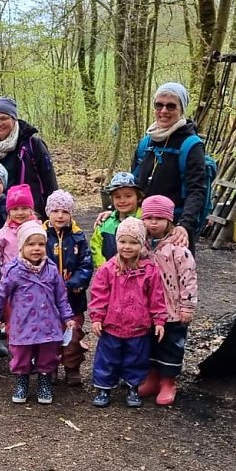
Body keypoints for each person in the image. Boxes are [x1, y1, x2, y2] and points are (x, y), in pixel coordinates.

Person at [0, 222, 76, 405]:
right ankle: (22, 380)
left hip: (47, 323)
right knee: (21, 353)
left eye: (41, 244)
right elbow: (0, 292)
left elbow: (61, 296)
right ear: (21, 247)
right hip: (23, 323)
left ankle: (44, 380)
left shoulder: (51, 270)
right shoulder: (14, 270)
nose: (36, 249)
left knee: (48, 353)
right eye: (31, 244)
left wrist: (67, 317)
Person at [89, 217, 167, 408]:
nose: (127, 247)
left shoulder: (149, 270)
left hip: (139, 326)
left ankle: (133, 386)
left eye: (133, 242)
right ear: (117, 243)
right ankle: (104, 388)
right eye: (123, 241)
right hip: (111, 325)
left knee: (136, 359)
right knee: (107, 358)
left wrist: (159, 320)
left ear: (142, 245)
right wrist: (97, 317)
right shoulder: (108, 269)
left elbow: (156, 297)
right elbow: (98, 294)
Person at [132, 82, 208, 255]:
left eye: (171, 106)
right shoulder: (147, 142)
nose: (164, 111)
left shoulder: (190, 145)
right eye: (159, 105)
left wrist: (184, 226)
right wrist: (114, 213)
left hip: (174, 230)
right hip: (142, 228)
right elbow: (132, 186)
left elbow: (196, 191)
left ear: (182, 109)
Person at [138, 195, 198, 406]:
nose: (153, 223)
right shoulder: (141, 246)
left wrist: (187, 306)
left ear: (169, 221)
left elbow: (188, 279)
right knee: (150, 344)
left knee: (171, 346)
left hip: (172, 310)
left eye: (159, 218)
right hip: (148, 310)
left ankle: (168, 381)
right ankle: (152, 377)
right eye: (149, 218)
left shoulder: (178, 249)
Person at [0, 97, 58, 217]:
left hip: (28, 214)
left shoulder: (32, 145)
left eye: (4, 118)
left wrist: (53, 214)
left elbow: (50, 183)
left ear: (14, 119)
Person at [42, 190, 93, 386]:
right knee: (50, 334)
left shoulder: (78, 237)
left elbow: (86, 265)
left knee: (73, 334)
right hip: (47, 299)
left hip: (73, 298)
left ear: (71, 213)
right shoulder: (41, 235)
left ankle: (72, 366)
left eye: (64, 211)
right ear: (48, 212)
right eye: (55, 211)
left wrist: (74, 284)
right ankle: (51, 366)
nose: (60, 215)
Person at [90, 172, 142, 268]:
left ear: (138, 197)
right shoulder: (105, 223)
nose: (122, 200)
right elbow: (95, 246)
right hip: (111, 275)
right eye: (117, 197)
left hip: (139, 275)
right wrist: (104, 267)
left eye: (128, 196)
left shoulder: (145, 221)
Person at [0, 183, 38, 267]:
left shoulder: (39, 231)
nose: (20, 213)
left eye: (24, 208)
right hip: (10, 278)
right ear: (9, 212)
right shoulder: (3, 234)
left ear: (31, 210)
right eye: (15, 209)